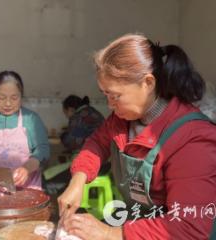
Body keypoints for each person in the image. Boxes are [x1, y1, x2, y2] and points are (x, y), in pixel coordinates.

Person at [57, 33, 216, 240]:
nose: (109, 105)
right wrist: (78, 180)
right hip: (139, 227)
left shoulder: (192, 138)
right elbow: (97, 143)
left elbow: (188, 228)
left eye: (115, 96)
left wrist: (107, 233)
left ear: (148, 83)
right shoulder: (122, 119)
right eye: (105, 95)